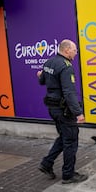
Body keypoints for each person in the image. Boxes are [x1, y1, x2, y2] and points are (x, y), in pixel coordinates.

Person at [37, 39, 88, 184]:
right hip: (64, 110)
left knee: (64, 137)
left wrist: (40, 75)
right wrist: (78, 113)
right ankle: (68, 174)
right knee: (71, 140)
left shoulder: (48, 62)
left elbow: (42, 81)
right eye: (74, 50)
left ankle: (46, 164)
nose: (76, 53)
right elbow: (69, 92)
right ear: (66, 50)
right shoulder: (66, 67)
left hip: (53, 109)